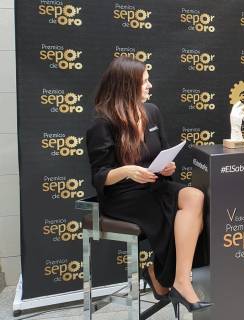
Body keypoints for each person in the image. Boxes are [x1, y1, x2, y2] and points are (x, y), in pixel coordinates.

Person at [86, 56, 211, 317]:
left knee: (195, 197)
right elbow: (100, 176)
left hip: (154, 184)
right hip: (122, 195)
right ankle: (173, 279)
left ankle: (173, 277)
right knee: (170, 215)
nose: (149, 86)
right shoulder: (102, 124)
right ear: (126, 86)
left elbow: (161, 152)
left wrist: (167, 167)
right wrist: (127, 170)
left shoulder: (151, 111)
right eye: (144, 82)